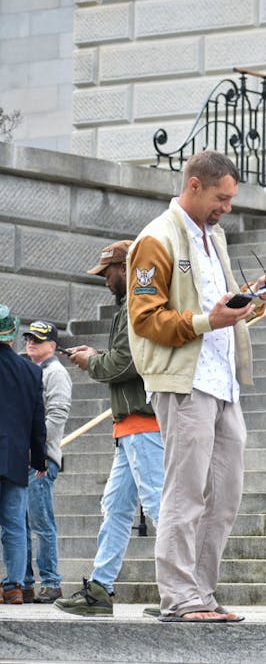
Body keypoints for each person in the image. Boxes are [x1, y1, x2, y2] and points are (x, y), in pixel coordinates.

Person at [127, 150, 266, 623]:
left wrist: (254, 297)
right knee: (185, 492)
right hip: (184, 382)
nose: (227, 208)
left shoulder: (214, 237)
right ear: (194, 186)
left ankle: (202, 593)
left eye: (231, 199)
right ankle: (179, 597)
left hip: (223, 382)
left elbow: (220, 308)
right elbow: (145, 318)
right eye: (222, 197)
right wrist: (206, 321)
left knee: (225, 495)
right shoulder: (156, 238)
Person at [55, 240, 165, 617]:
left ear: (125, 268)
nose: (104, 280)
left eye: (108, 272)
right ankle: (101, 588)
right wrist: (95, 357)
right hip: (132, 425)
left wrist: (91, 362)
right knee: (116, 507)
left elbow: (125, 363)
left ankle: (183, 589)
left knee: (159, 506)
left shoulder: (137, 305)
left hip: (143, 424)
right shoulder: (130, 306)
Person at [21, 319, 72, 604]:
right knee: (21, 525)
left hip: (41, 460)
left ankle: (51, 583)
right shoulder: (29, 370)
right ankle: (25, 583)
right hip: (23, 459)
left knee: (41, 524)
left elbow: (57, 415)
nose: (31, 343)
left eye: (38, 340)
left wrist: (36, 450)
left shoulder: (56, 373)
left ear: (52, 345)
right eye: (29, 338)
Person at [0, 305, 47, 605]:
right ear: (12, 335)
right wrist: (40, 459)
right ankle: (14, 586)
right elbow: (37, 420)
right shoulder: (31, 371)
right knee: (15, 524)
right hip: (16, 458)